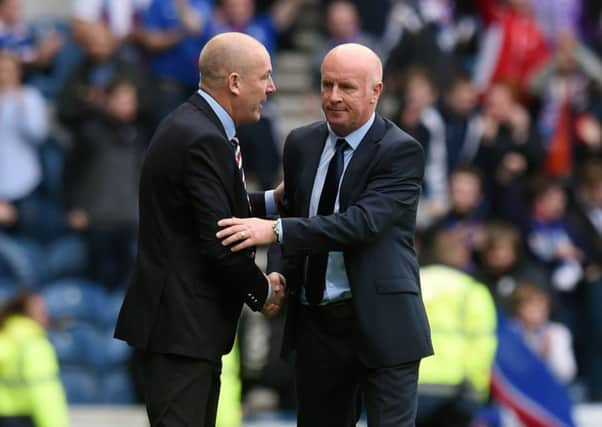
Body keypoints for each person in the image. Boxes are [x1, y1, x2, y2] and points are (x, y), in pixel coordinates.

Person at [217, 43, 433, 427]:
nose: (333, 97)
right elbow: (292, 208)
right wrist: (280, 271)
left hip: (383, 323)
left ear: (376, 92)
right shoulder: (301, 142)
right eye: (326, 84)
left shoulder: (401, 151)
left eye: (346, 87)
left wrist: (275, 233)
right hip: (317, 326)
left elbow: (360, 224)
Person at [114, 32, 285, 427]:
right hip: (181, 331)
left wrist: (274, 201)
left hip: (187, 331)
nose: (272, 88)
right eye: (265, 77)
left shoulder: (195, 125)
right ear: (235, 82)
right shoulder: (202, 137)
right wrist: (264, 292)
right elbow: (220, 237)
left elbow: (212, 208)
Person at [0, 291, 68, 427]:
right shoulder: (34, 345)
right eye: (42, 312)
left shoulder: (4, 337)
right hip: (24, 418)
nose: (47, 316)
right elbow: (44, 393)